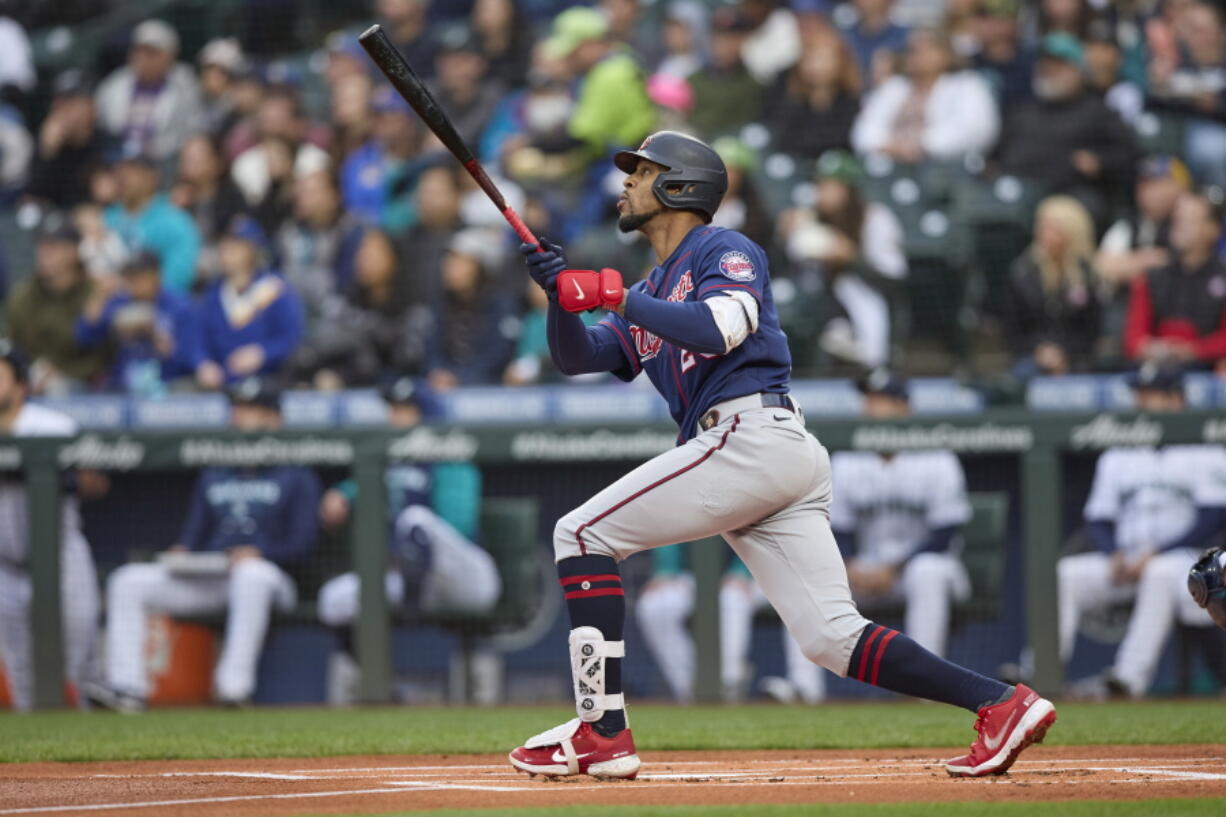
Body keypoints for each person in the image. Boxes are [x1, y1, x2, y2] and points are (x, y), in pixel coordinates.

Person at [508, 129, 1056, 780]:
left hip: (752, 436)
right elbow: (577, 357)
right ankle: (1000, 701)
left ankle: (603, 730)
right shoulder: (652, 286)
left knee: (580, 532)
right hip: (756, 455)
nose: (626, 183)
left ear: (682, 186)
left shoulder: (723, 247)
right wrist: (557, 298)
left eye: (643, 171)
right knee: (830, 637)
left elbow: (721, 326)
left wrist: (618, 297)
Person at [86, 378, 321, 711]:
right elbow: (193, 536)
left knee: (252, 574)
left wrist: (261, 552)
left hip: (272, 580)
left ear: (274, 419)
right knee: (128, 580)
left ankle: (232, 688)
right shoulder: (216, 472)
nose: (240, 418)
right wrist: (182, 553)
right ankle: (127, 688)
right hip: (214, 574)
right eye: (238, 409)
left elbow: (304, 544)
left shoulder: (297, 474)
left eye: (251, 410)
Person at [316, 376, 500, 704]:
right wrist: (341, 495)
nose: (394, 419)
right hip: (412, 577)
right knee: (334, 599)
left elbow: (458, 524)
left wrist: (401, 549)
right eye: (393, 411)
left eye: (405, 411)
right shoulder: (387, 463)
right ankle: (372, 684)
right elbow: (357, 488)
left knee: (415, 518)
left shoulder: (450, 455)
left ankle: (417, 616)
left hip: (464, 579)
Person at [1058, 364, 1226, 697]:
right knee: (1066, 573)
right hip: (1126, 561)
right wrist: (1112, 553)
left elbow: (1213, 516)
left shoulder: (1204, 446)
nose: (1141, 403)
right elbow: (1099, 517)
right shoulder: (1120, 451)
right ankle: (1040, 672)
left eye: (1151, 396)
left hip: (1183, 560)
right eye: (1139, 395)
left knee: (1161, 572)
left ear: (1176, 400)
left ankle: (1127, 680)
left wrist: (1157, 552)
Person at [832, 370, 973, 660]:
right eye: (868, 400)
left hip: (924, 567)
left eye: (882, 401)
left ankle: (926, 679)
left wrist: (893, 568)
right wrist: (848, 564)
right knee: (817, 580)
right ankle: (804, 689)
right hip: (864, 570)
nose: (871, 408)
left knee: (927, 573)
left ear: (905, 409)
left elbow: (945, 534)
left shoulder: (937, 458)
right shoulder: (846, 459)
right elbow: (838, 528)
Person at [0, 342, 98, 712]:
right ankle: (41, 767)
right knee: (22, 676)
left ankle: (97, 753)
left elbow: (95, 482)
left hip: (60, 558)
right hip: (4, 568)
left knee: (76, 664)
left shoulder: (52, 426)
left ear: (22, 385)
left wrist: (62, 476)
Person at [636, 545, 824, 704]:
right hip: (690, 576)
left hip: (761, 570)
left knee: (733, 598)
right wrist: (666, 570)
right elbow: (669, 523)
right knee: (655, 605)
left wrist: (742, 571)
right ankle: (690, 689)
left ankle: (731, 683)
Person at [994, 32, 1136, 230]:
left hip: (1068, 193)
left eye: (1058, 65)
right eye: (1044, 65)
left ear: (1078, 71)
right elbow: (995, 156)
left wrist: (1100, 161)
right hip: (1018, 191)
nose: (1049, 70)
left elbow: (1128, 154)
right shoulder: (1022, 110)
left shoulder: (1097, 111)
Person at [780, 150, 906, 368]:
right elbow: (790, 268)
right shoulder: (808, 218)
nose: (823, 192)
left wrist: (852, 258)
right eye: (820, 184)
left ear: (850, 189)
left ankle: (858, 344)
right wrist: (782, 235)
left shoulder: (876, 219)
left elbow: (894, 279)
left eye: (832, 185)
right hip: (820, 304)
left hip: (868, 299)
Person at [851, 28, 999, 163]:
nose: (916, 55)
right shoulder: (894, 87)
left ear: (946, 54)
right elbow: (864, 131)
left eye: (926, 49)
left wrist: (922, 144)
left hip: (948, 168)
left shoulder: (967, 85)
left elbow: (976, 131)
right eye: (912, 50)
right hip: (890, 165)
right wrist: (888, 146)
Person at [195, 217, 305, 388]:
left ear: (252, 249)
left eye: (236, 245)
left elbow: (292, 337)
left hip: (269, 381)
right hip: (223, 384)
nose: (227, 251)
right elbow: (198, 338)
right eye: (224, 245)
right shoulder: (213, 294)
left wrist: (263, 353)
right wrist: (203, 363)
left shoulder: (274, 289)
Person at [1002, 195, 1103, 377]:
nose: (1044, 234)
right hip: (1031, 357)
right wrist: (1041, 351)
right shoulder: (1022, 273)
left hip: (1077, 357)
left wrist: (1064, 353)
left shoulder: (1087, 274)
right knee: (1024, 372)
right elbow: (1013, 332)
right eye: (1042, 227)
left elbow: (1092, 330)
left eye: (1053, 229)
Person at [74, 252, 201, 396]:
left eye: (138, 277)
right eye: (129, 277)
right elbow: (84, 336)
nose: (133, 283)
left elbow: (191, 358)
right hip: (122, 386)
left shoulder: (179, 306)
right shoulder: (120, 302)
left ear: (155, 276)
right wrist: (99, 296)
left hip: (168, 386)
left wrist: (154, 333)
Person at [1123, 191, 1226, 368]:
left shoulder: (1222, 276)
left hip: (1208, 373)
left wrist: (1194, 350)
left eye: (1189, 221)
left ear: (1213, 229)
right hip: (1157, 372)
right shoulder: (1152, 276)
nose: (1180, 227)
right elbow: (1133, 340)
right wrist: (1154, 349)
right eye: (1178, 220)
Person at [543, 7, 655, 167]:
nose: (568, 58)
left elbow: (580, 136)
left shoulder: (610, 75)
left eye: (572, 51)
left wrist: (531, 144)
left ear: (591, 44)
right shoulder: (619, 57)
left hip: (625, 164)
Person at [6, 218, 108, 393]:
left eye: (53, 247)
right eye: (41, 246)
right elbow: (12, 346)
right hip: (30, 383)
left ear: (74, 251)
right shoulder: (23, 296)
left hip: (86, 386)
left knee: (60, 388)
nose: (43, 253)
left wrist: (65, 373)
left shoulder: (94, 293)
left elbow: (104, 354)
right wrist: (30, 374)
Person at [93, 19, 202, 160]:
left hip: (166, 162)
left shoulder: (185, 83)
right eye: (138, 50)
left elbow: (192, 130)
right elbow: (102, 126)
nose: (142, 58)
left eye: (152, 52)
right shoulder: (115, 83)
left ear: (170, 55)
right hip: (118, 160)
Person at [424, 229, 517, 390]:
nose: (450, 267)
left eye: (461, 261)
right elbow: (432, 348)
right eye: (449, 261)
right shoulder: (439, 305)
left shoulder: (501, 306)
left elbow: (499, 355)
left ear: (480, 267)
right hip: (442, 386)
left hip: (489, 388)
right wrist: (437, 372)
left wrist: (460, 378)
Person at [103, 151, 202, 294]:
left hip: (156, 306)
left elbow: (180, 275)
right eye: (120, 171)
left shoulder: (173, 220)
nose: (123, 177)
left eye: (132, 171)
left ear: (152, 177)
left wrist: (133, 288)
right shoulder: (107, 218)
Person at [763, 27, 861, 161]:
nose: (815, 66)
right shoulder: (790, 99)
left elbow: (846, 141)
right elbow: (782, 136)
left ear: (841, 61)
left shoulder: (851, 101)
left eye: (823, 58)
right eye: (810, 58)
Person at [26, 71, 104, 209]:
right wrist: (48, 152)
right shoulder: (47, 140)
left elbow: (104, 194)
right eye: (59, 102)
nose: (62, 109)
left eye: (71, 102)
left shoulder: (105, 142)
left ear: (92, 107)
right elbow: (32, 196)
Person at [686, 7, 762, 138]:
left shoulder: (754, 87)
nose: (722, 45)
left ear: (743, 40)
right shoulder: (692, 80)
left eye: (731, 38)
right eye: (718, 38)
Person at [970, 0, 1033, 110]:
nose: (991, 25)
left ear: (1016, 23)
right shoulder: (966, 64)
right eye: (984, 17)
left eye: (999, 18)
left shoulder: (1032, 64)